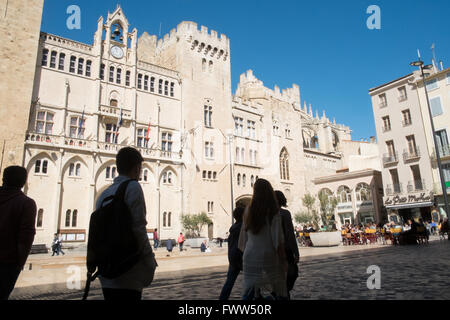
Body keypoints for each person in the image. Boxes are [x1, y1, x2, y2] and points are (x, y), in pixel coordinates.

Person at [95, 147, 157, 301]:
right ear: (137, 168)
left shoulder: (104, 194)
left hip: (107, 270)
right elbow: (139, 228)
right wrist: (150, 261)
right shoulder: (133, 187)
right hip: (128, 270)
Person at [238, 179, 288, 300]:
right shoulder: (273, 212)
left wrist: (246, 252)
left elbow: (243, 239)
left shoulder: (248, 210)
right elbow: (277, 241)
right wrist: (283, 260)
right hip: (268, 255)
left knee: (249, 292)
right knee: (279, 290)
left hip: (250, 255)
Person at [0, 166, 37, 300]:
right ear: (24, 182)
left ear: (4, 179)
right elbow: (26, 237)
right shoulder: (26, 203)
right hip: (7, 263)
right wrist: (20, 263)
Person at [275, 191, 300, 300]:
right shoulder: (285, 214)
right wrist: (296, 252)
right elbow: (290, 234)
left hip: (273, 251)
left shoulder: (268, 214)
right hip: (285, 251)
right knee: (291, 274)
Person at [219, 206, 245, 300]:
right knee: (252, 280)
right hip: (241, 257)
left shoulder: (233, 228)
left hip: (233, 258)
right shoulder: (243, 228)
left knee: (229, 282)